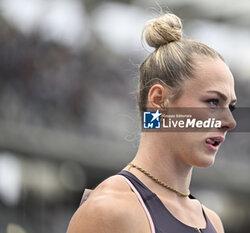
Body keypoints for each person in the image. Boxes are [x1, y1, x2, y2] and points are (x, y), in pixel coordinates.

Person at [66, 12, 237, 233]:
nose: (229, 122)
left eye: (230, 107)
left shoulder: (213, 222)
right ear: (159, 100)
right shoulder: (109, 210)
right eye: (213, 102)